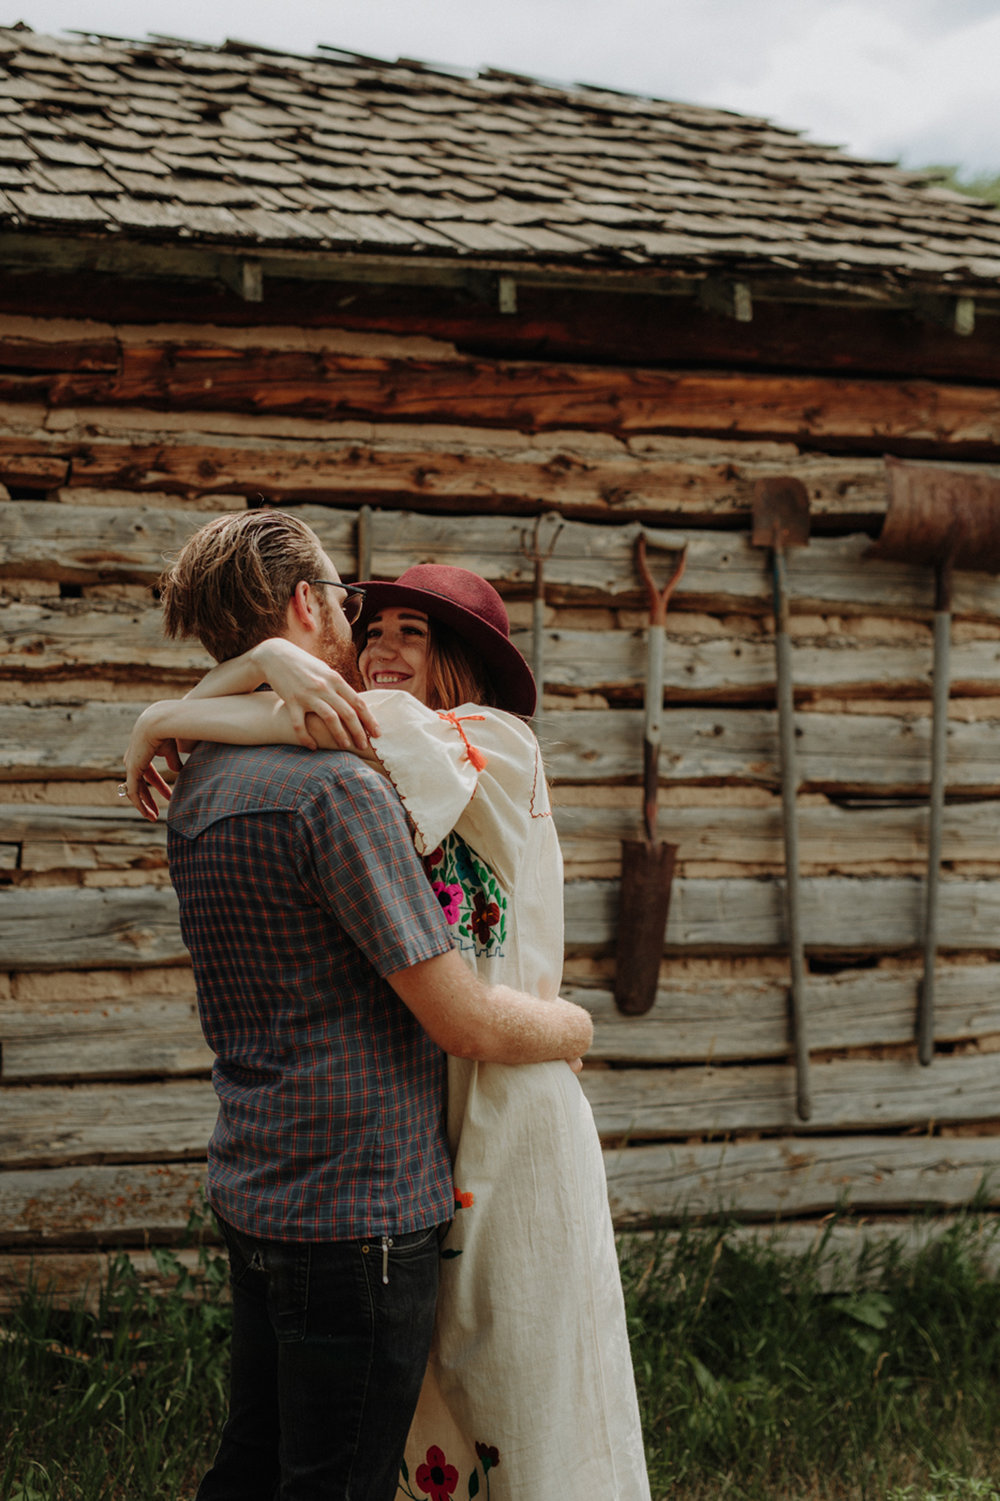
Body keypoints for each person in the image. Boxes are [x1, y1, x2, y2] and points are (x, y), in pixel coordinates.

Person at [126, 550, 652, 1501]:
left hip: (509, 1094)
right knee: (433, 1395)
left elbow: (302, 719)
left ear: (466, 664)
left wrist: (169, 712)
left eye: (414, 633)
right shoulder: (368, 763)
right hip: (436, 1097)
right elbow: (295, 722)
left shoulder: (488, 737)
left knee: (524, 1375)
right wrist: (249, 673)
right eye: (370, 630)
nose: (379, 647)